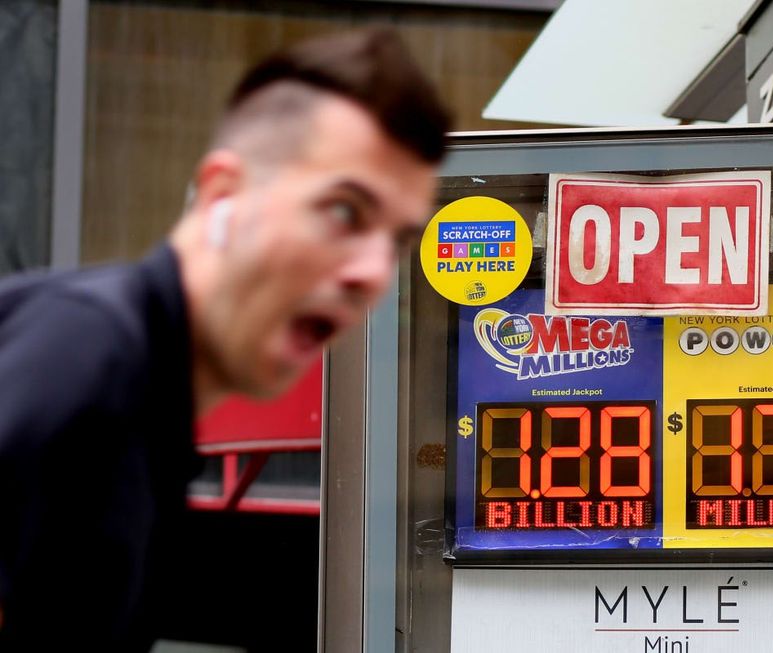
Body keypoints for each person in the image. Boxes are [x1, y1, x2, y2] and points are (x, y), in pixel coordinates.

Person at [0, 28, 450, 649]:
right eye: (345, 211)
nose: (373, 271)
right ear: (222, 195)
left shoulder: (135, 390)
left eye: (396, 241)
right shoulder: (89, 358)